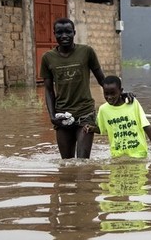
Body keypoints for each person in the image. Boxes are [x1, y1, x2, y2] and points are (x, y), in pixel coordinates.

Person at [40, 17, 125, 159]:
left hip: (85, 114)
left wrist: (121, 95)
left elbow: (102, 80)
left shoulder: (86, 52)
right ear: (54, 34)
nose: (64, 36)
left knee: (83, 162)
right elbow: (48, 90)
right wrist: (52, 116)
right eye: (60, 33)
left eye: (68, 32)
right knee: (67, 163)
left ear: (74, 33)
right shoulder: (47, 58)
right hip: (62, 116)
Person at [84, 75, 151, 159]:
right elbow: (102, 129)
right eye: (106, 93)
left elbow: (146, 125)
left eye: (113, 93)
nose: (109, 97)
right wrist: (91, 128)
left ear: (121, 91)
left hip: (139, 153)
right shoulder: (103, 110)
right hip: (117, 155)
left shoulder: (133, 104)